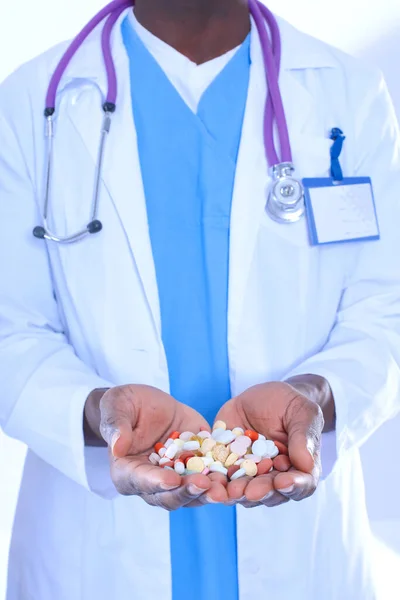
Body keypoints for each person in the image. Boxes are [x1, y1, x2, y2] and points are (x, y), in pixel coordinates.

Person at [0, 0, 399, 598]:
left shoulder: (349, 94)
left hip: (303, 554)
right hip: (97, 555)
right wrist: (99, 410)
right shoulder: (35, 101)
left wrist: (314, 396)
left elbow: (386, 309)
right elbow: (10, 326)